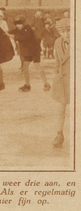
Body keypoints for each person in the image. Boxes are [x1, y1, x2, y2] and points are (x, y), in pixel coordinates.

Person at [7, 15, 51, 92]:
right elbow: (9, 32)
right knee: (25, 68)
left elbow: (23, 37)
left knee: (37, 67)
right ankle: (27, 85)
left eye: (20, 23)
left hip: (34, 51)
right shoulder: (17, 29)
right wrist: (4, 32)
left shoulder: (27, 28)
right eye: (17, 24)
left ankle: (46, 84)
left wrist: (12, 36)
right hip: (27, 52)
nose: (18, 25)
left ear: (23, 23)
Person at [51, 18, 70, 148]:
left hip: (74, 81)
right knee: (60, 109)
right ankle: (59, 134)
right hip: (62, 81)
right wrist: (57, 74)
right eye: (63, 31)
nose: (66, 34)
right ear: (59, 32)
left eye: (69, 30)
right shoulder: (57, 42)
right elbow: (57, 61)